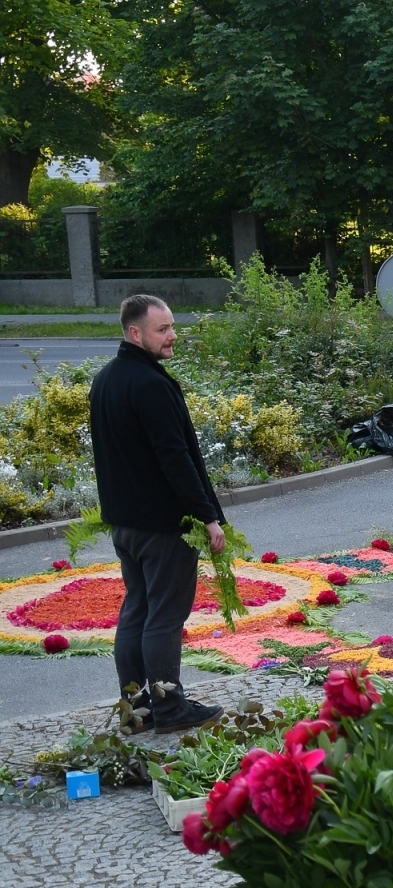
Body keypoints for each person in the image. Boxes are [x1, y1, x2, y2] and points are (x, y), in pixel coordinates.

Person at [88, 294, 226, 734]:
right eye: (162, 330)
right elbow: (176, 458)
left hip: (126, 523)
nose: (172, 336)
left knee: (137, 612)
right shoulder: (150, 384)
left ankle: (137, 711)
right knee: (164, 616)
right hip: (163, 525)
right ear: (135, 333)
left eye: (170, 327)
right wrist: (207, 516)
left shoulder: (105, 380)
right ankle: (169, 709)